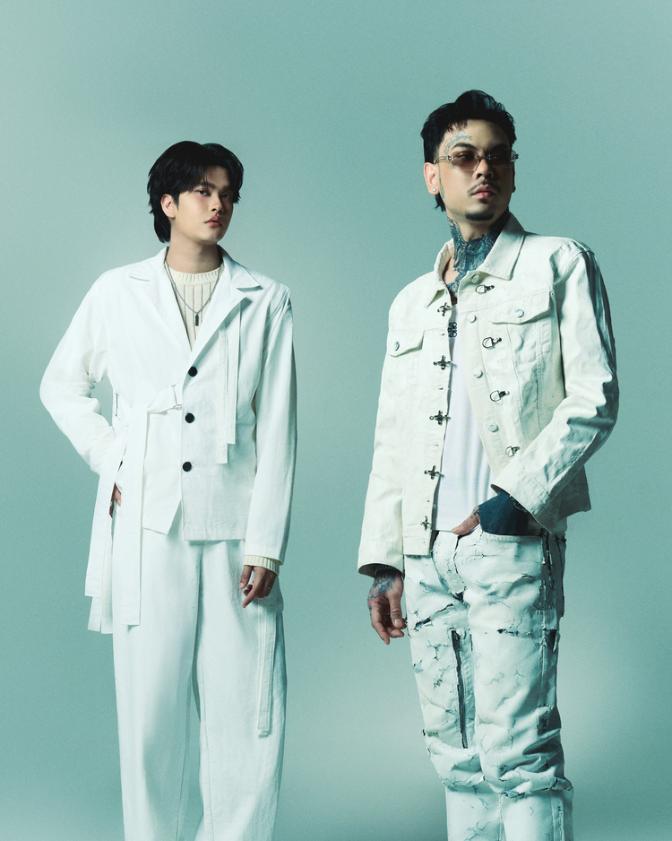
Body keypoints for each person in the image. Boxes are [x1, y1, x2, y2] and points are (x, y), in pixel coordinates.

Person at [358, 90, 617, 841]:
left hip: (510, 539)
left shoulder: (557, 263)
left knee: (521, 755)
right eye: (464, 156)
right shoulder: (411, 302)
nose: (484, 170)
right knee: (457, 759)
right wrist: (385, 559)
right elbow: (391, 436)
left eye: (498, 156)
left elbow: (594, 396)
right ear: (432, 176)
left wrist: (514, 500)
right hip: (425, 553)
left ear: (513, 170)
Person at [40, 140, 296, 841]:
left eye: (228, 194)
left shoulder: (266, 300)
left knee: (246, 712)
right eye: (204, 191)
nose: (219, 205)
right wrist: (114, 459)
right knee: (149, 714)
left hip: (235, 528)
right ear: (168, 202)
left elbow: (279, 426)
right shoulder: (115, 292)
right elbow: (61, 385)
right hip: (146, 530)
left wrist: (266, 545)